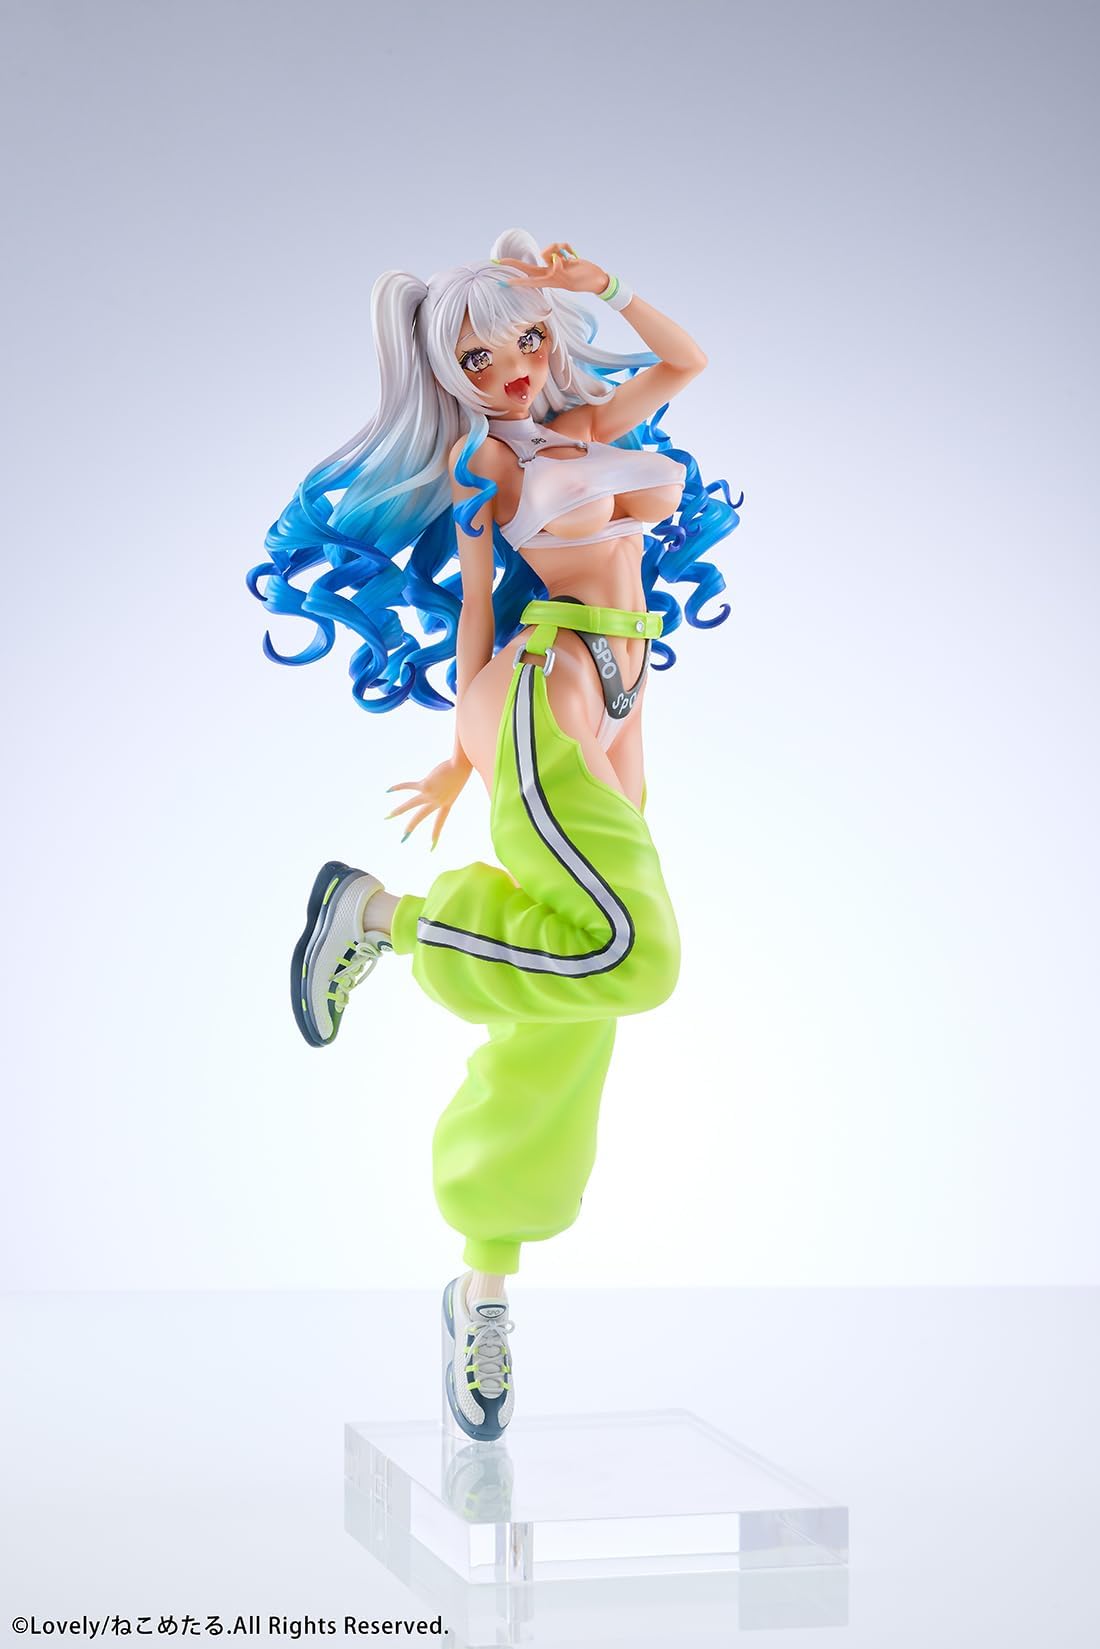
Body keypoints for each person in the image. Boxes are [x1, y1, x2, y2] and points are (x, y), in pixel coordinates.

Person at [250, 229, 741, 1440]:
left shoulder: (582, 424)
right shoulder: (485, 457)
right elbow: (478, 596)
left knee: (568, 1020)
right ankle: (384, 918)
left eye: (523, 338)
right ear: (447, 373)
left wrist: (603, 287)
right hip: (541, 685)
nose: (511, 366)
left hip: (619, 693)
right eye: (478, 356)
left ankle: (482, 1280)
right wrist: (462, 749)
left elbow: (687, 361)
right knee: (634, 955)